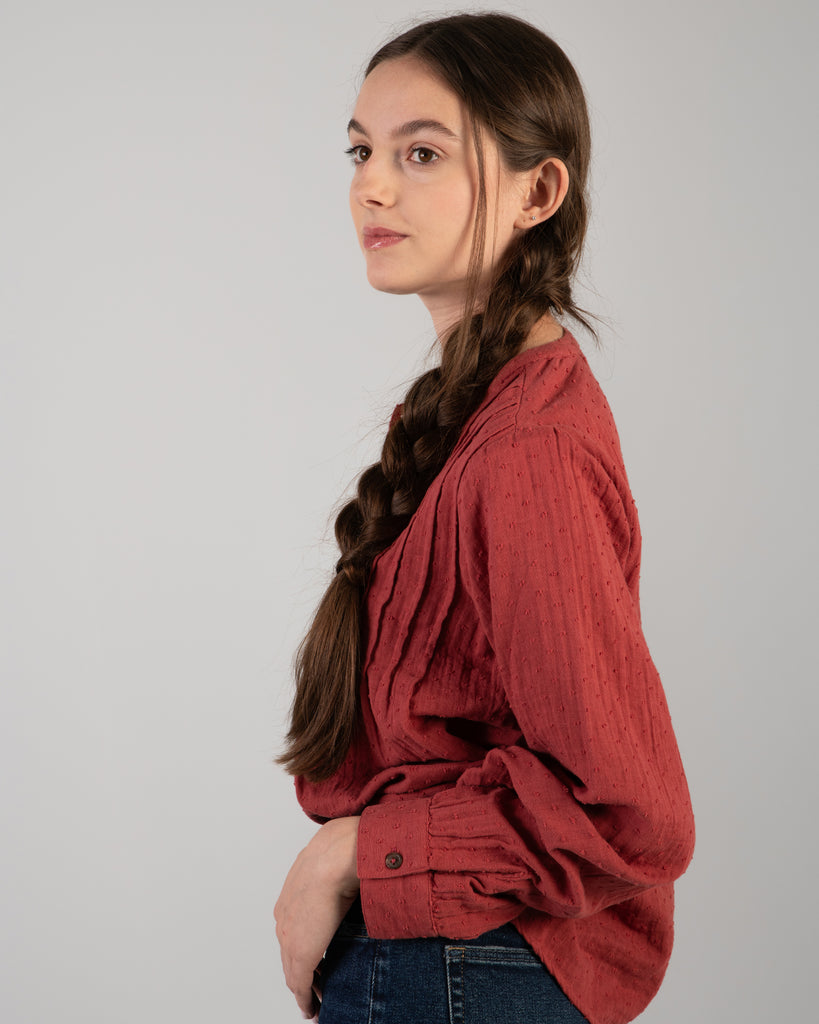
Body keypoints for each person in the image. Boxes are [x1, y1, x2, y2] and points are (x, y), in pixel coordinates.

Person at [274, 12, 695, 1024]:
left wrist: (353, 852)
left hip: (470, 969)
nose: (371, 185)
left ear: (536, 191)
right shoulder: (467, 417)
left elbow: (625, 807)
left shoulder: (528, 446)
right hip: (451, 964)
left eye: (421, 153)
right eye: (362, 151)